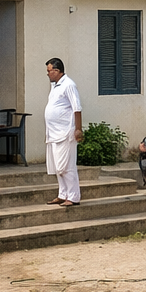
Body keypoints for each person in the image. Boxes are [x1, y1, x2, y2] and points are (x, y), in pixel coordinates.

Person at [43, 58, 83, 205]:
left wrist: (78, 129)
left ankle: (73, 197)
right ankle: (62, 193)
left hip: (65, 132)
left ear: (57, 71)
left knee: (67, 166)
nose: (48, 74)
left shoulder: (69, 85)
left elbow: (77, 108)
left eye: (49, 71)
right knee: (57, 167)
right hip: (53, 133)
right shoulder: (54, 86)